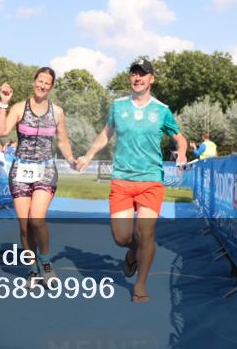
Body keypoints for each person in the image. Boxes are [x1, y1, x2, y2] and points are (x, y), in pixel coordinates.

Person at [77, 58, 187, 303]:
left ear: (151, 79)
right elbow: (106, 134)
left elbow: (180, 137)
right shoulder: (118, 106)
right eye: (134, 74)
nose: (137, 78)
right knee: (122, 238)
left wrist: (181, 152)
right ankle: (131, 254)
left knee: (146, 233)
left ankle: (140, 285)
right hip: (122, 181)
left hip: (150, 181)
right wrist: (88, 154)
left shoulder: (162, 110)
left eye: (143, 74)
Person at [0, 68, 77, 287]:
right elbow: (1, 131)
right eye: (40, 81)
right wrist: (3, 103)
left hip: (46, 170)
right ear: (34, 82)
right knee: (24, 226)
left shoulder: (57, 112)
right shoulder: (19, 108)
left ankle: (46, 262)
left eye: (47, 83)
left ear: (51, 87)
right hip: (21, 169)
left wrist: (70, 158)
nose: (42, 86)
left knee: (37, 219)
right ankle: (32, 269)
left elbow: (63, 141)